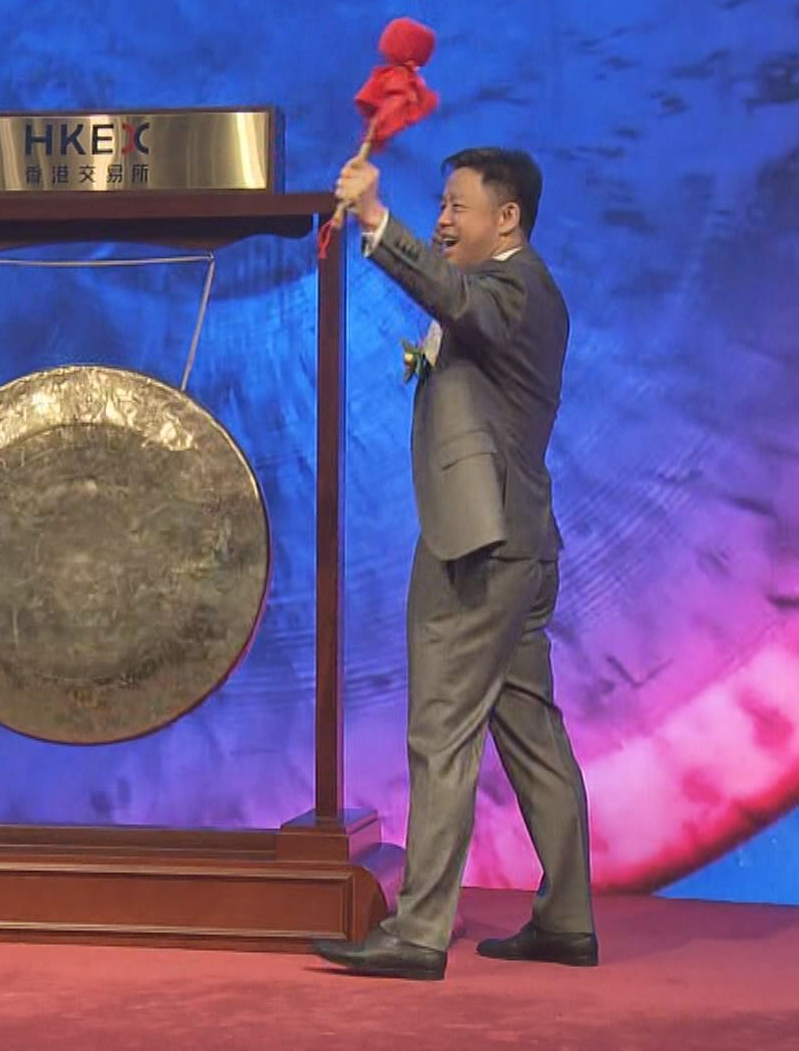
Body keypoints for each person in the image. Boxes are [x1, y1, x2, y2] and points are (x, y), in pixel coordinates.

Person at [311, 148, 596, 980]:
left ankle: (419, 931)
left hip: (480, 548)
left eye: (455, 206)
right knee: (531, 733)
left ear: (506, 218)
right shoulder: (513, 291)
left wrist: (375, 220)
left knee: (441, 730)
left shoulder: (515, 289)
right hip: (519, 542)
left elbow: (456, 299)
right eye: (438, 205)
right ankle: (567, 919)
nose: (442, 221)